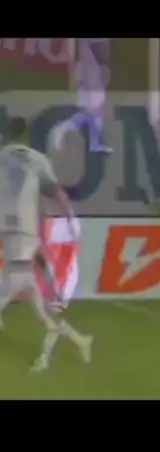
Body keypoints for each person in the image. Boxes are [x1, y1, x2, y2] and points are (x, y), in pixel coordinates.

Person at [0, 116, 92, 371]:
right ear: (27, 137)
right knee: (42, 310)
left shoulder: (2, 156)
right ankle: (79, 340)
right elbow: (57, 193)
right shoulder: (38, 160)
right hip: (26, 234)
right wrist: (70, 217)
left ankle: (63, 347)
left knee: (38, 304)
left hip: (10, 235)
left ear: (8, 135)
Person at [51, 38, 112, 154]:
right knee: (90, 115)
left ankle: (95, 143)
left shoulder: (96, 62)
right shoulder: (88, 61)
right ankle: (62, 129)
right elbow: (81, 80)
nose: (106, 50)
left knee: (96, 116)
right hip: (89, 92)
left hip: (94, 90)